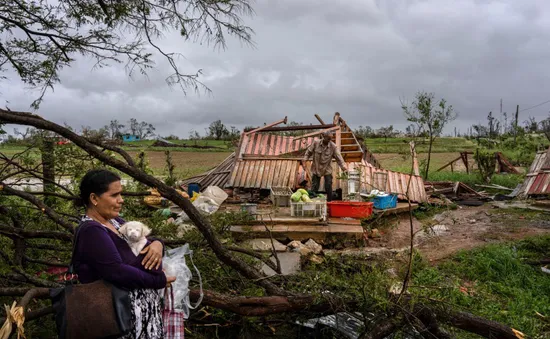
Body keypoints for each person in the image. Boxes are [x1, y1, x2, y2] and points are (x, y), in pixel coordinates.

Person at [73, 169, 176, 338]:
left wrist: (158, 244)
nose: (121, 200)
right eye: (115, 195)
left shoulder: (116, 221)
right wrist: (159, 280)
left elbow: (144, 242)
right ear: (94, 199)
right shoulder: (92, 231)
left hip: (140, 319)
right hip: (119, 322)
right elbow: (117, 271)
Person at [301, 131, 348, 201]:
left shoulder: (333, 147)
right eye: (328, 138)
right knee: (314, 186)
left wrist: (344, 168)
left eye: (331, 138)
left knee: (328, 185)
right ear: (323, 137)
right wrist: (304, 161)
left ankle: (329, 202)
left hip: (327, 168)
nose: (330, 140)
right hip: (316, 167)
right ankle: (312, 202)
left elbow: (339, 158)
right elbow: (308, 152)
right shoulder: (315, 143)